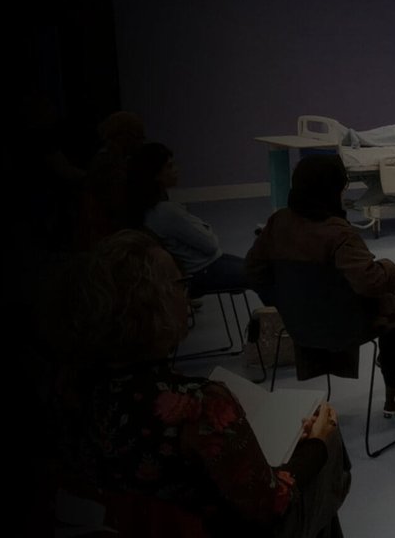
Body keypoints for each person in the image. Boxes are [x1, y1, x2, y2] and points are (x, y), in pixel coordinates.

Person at [44, 230, 351, 538]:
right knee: (328, 444)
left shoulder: (69, 391)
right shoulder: (198, 406)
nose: (188, 295)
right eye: (180, 285)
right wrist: (317, 444)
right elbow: (270, 504)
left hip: (122, 523)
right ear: (152, 306)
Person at [246, 155, 395, 416]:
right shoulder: (339, 234)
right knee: (392, 302)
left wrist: (285, 301)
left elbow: (252, 271)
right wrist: (391, 268)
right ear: (333, 189)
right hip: (342, 329)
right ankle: (393, 393)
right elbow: (371, 283)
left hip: (295, 325)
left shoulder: (278, 223)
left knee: (386, 301)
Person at [123, 143, 250, 297]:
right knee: (264, 273)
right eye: (169, 166)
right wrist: (207, 229)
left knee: (257, 266)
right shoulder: (166, 212)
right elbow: (210, 244)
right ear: (155, 174)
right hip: (202, 270)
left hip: (200, 267)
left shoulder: (145, 208)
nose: (176, 170)